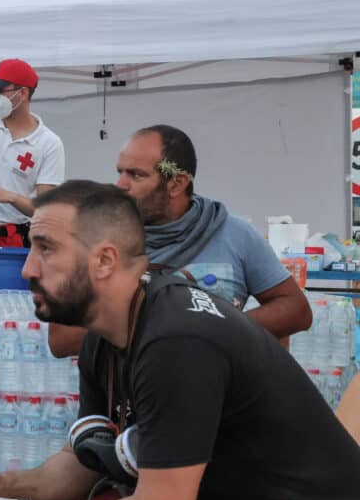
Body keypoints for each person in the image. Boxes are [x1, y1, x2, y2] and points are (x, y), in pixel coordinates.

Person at [0, 180, 360, 500]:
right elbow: (86, 460)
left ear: (104, 260)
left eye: (46, 249)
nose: (27, 268)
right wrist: (4, 487)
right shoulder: (110, 330)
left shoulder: (177, 340)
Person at [47, 125, 312, 356]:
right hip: (132, 403)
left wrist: (219, 328)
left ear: (176, 184)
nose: (120, 185)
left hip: (219, 402)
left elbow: (296, 310)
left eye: (135, 175)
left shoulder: (233, 233)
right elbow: (61, 340)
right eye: (120, 172)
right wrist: (158, 327)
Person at [0, 58, 65, 248]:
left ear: (22, 93)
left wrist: (12, 198)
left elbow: (46, 210)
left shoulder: (49, 143)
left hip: (10, 237)